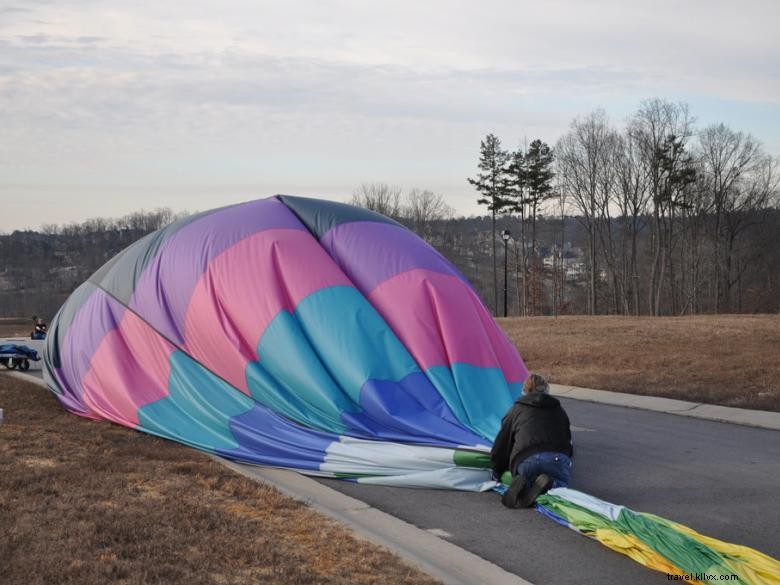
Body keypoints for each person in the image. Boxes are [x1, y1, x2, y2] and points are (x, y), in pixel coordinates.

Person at [490, 373, 573, 508]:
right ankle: (551, 485)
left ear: (524, 390)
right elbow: (567, 439)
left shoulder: (516, 410)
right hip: (556, 457)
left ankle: (525, 485)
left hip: (527, 458)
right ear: (546, 389)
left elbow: (502, 443)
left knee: (529, 475)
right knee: (560, 487)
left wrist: (496, 471)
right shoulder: (559, 410)